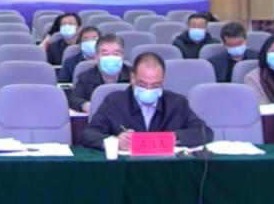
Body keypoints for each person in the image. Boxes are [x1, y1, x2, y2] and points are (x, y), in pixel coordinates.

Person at [81, 52, 213, 150]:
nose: (149, 90)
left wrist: (175, 137)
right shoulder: (114, 102)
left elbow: (205, 132)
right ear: (133, 78)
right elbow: (88, 134)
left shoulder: (177, 103)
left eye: (155, 85)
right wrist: (115, 141)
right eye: (143, 84)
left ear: (163, 80)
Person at [69, 34, 130, 113]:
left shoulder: (134, 75)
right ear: (96, 57)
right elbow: (74, 98)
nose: (110, 58)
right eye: (105, 54)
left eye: (116, 54)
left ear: (122, 56)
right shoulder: (85, 77)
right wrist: (85, 105)